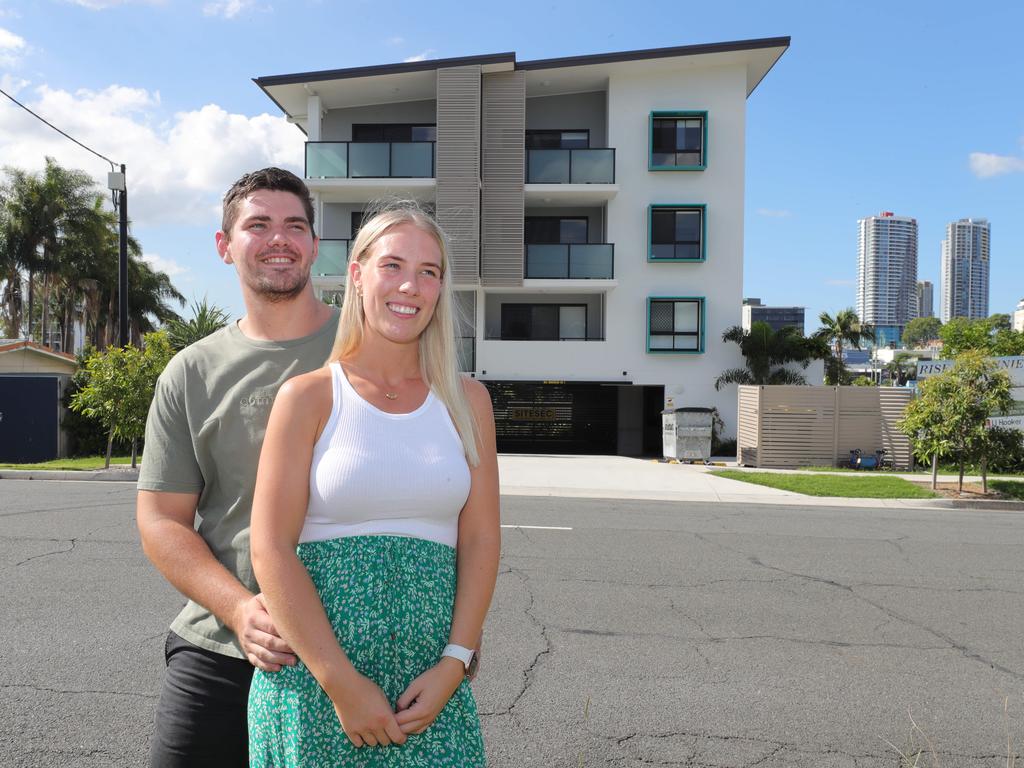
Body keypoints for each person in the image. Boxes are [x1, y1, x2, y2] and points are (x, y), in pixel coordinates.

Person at [247, 203, 501, 767]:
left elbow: (481, 539)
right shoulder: (307, 397)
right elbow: (269, 547)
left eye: (429, 271)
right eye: (392, 265)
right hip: (315, 691)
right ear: (357, 275)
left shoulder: (469, 403)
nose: (411, 285)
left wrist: (455, 662)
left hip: (430, 695)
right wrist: (341, 683)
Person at [136, 167, 340, 767]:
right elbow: (161, 520)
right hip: (225, 647)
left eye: (294, 225)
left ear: (314, 246)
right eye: (258, 225)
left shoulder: (368, 350)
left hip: (354, 648)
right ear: (224, 246)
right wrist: (239, 609)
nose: (279, 238)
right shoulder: (191, 373)